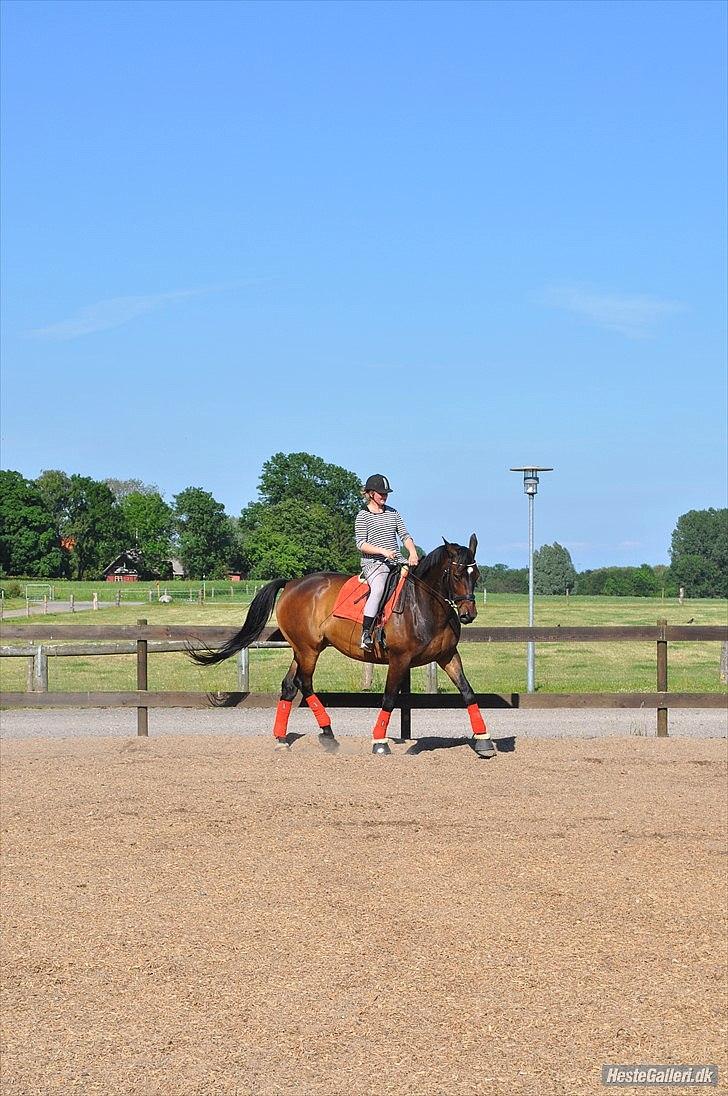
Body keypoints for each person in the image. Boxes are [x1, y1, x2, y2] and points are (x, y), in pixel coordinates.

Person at [354, 473, 419, 650]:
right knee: (379, 588)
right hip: (374, 563)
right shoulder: (363, 516)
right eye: (381, 493)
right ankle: (366, 634)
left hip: (397, 561)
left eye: (386, 493)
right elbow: (361, 543)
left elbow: (404, 535)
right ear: (370, 493)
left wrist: (412, 552)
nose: (384, 496)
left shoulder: (393, 513)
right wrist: (382, 551)